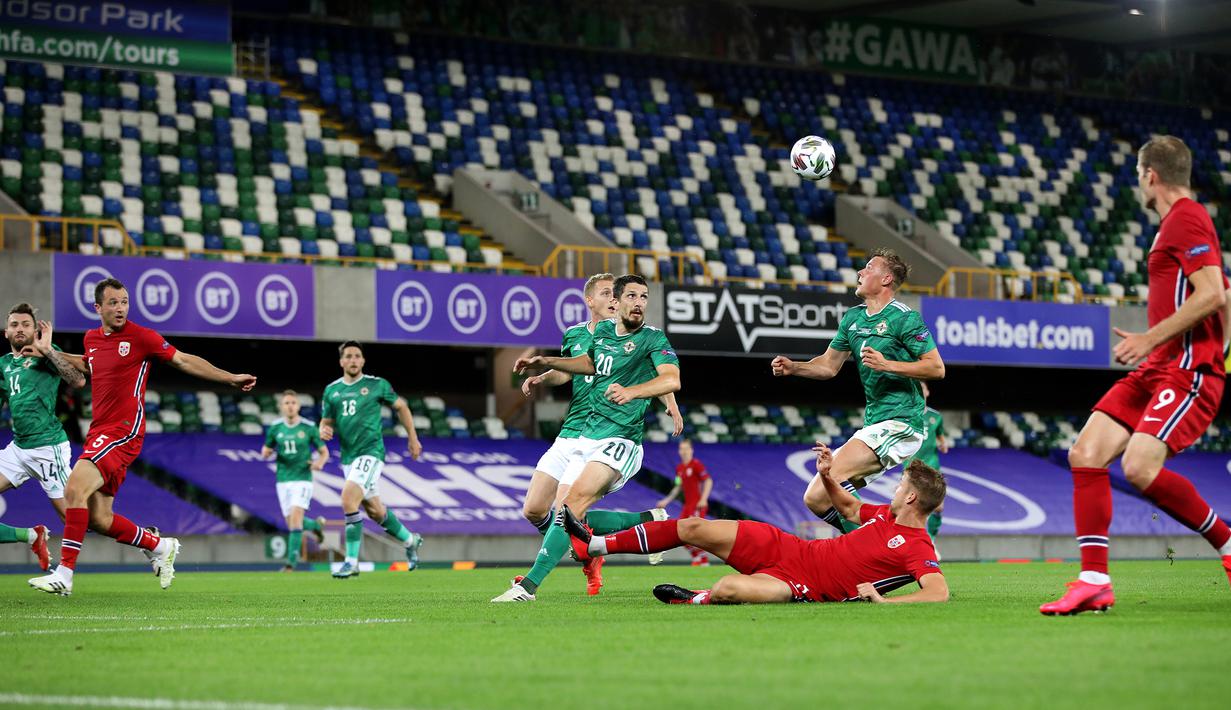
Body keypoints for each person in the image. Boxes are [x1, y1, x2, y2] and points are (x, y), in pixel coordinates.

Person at [1043, 136, 1231, 615]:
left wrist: (1166, 343)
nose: (1137, 183)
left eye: (1137, 174)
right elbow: (1223, 291)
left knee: (1139, 467)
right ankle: (1093, 580)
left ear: (1151, 175)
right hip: (1158, 368)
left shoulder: (1187, 216)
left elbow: (1211, 294)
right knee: (1085, 452)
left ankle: (1227, 546)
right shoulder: (1179, 223)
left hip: (1184, 370)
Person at [29, 278, 257, 596]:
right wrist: (49, 352)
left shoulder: (141, 337)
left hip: (124, 431)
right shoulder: (92, 338)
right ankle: (159, 545)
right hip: (100, 430)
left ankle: (65, 574)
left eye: (124, 302)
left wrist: (229, 377)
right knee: (98, 518)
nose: (120, 308)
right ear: (98, 308)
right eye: (113, 303)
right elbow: (88, 365)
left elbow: (183, 359)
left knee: (73, 489)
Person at [564, 444, 948, 605]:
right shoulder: (885, 514)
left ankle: (695, 598)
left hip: (801, 586)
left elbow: (937, 592)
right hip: (791, 549)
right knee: (696, 526)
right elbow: (848, 508)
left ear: (912, 497)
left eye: (901, 486)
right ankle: (594, 546)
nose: (896, 489)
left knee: (728, 588)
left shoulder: (918, 546)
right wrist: (828, 475)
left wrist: (884, 601)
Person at [493, 274, 681, 602]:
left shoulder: (647, 339)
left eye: (641, 296)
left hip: (617, 437)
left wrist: (669, 406)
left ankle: (529, 585)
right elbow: (579, 367)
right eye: (612, 294)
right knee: (536, 510)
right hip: (576, 434)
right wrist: (545, 367)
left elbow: (665, 377)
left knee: (569, 508)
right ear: (590, 300)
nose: (620, 300)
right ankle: (638, 524)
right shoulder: (590, 335)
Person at [771, 249, 944, 534]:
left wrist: (888, 364)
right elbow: (828, 366)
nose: (860, 273)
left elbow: (936, 368)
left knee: (833, 478)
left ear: (886, 278)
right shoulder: (853, 318)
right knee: (816, 497)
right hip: (875, 422)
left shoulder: (904, 318)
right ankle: (876, 546)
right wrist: (795, 368)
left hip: (902, 421)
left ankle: (882, 545)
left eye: (867, 268)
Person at [320, 341, 424, 579]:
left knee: (348, 499)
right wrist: (322, 431)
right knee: (376, 511)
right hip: (348, 458)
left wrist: (412, 438)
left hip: (371, 452)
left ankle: (351, 562)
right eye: (349, 356)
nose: (353, 359)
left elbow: (402, 406)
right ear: (341, 362)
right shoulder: (331, 391)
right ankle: (410, 541)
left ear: (363, 361)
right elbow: (325, 422)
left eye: (357, 355)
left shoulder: (376, 385)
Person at [0, 303, 84, 570]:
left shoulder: (46, 353)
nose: (20, 329)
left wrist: (48, 350)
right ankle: (32, 536)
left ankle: (148, 540)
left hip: (48, 447)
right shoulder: (3, 364)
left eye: (26, 324)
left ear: (35, 330)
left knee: (78, 519)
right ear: (6, 332)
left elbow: (78, 379)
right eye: (14, 324)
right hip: (18, 449)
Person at [261, 390, 329, 572]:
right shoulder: (275, 428)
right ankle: (315, 526)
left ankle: (291, 564)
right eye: (286, 403)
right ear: (281, 407)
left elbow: (324, 452)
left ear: (298, 406)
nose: (290, 406)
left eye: (293, 402)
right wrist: (266, 452)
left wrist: (319, 464)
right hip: (283, 480)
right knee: (291, 522)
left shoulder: (308, 427)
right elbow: (265, 450)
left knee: (296, 518)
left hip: (302, 478)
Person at [655, 438, 713, 565]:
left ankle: (702, 559)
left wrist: (703, 499)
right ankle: (698, 557)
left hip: (697, 505)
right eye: (681, 449)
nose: (684, 451)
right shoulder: (679, 468)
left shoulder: (696, 465)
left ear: (691, 450)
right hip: (687, 506)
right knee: (679, 533)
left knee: (694, 533)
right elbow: (678, 486)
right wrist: (666, 500)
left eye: (686, 448)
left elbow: (708, 481)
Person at [907, 382, 948, 545]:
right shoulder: (907, 414)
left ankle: (930, 540)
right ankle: (911, 542)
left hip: (932, 467)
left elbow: (940, 436)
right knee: (909, 507)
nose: (919, 390)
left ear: (927, 392)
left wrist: (943, 444)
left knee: (938, 507)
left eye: (921, 387)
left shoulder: (936, 416)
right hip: (912, 469)